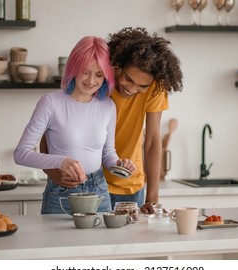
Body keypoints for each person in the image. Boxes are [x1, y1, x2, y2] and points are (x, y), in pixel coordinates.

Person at [41, 27, 183, 214]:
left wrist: (153, 198)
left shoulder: (155, 87)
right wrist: (51, 171)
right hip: (88, 183)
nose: (132, 89)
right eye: (127, 79)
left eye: (141, 86)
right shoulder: (97, 77)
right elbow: (51, 129)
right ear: (118, 65)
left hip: (129, 185)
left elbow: (152, 141)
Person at [14, 36, 136, 214]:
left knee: (101, 242)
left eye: (99, 74)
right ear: (73, 68)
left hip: (99, 192)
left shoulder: (108, 106)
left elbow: (108, 153)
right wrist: (60, 161)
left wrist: (120, 165)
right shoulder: (50, 102)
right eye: (85, 71)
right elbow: (21, 153)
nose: (91, 80)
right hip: (62, 194)